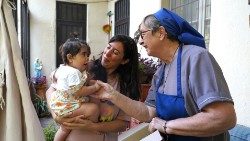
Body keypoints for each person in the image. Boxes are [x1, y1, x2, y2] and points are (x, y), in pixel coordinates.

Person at [94, 8, 236, 141]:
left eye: (143, 34)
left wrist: (166, 126)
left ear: (161, 33)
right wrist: (112, 95)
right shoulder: (161, 70)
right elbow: (148, 113)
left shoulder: (196, 57)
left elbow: (224, 118)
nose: (140, 41)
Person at [46, 34, 140, 141]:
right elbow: (52, 90)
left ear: (124, 60)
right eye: (109, 47)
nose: (107, 53)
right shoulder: (84, 68)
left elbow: (123, 123)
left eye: (115, 52)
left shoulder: (124, 85)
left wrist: (92, 126)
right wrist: (56, 115)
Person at [49, 36, 101, 141]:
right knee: (93, 109)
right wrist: (95, 87)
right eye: (83, 54)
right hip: (66, 103)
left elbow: (53, 76)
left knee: (64, 128)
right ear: (70, 58)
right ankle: (91, 127)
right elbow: (79, 92)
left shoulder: (63, 68)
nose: (87, 58)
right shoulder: (73, 72)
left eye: (88, 55)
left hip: (60, 102)